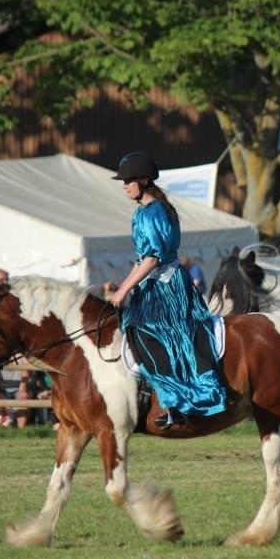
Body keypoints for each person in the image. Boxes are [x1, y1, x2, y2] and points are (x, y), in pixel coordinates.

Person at [108, 152, 226, 428]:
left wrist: (122, 289)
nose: (124, 185)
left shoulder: (155, 212)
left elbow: (152, 258)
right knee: (134, 332)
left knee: (152, 335)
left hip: (165, 288)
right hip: (151, 287)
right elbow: (142, 259)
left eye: (128, 180)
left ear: (144, 180)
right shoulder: (142, 212)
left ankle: (177, 401)